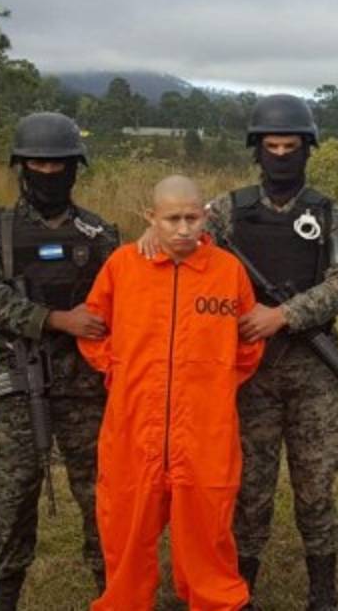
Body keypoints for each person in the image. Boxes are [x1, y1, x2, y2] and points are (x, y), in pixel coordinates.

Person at [138, 93, 338, 609]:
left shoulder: (331, 213)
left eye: (290, 147)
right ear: (257, 150)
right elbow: (183, 237)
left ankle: (323, 593)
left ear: (307, 149)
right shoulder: (225, 211)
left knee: (316, 484)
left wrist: (282, 315)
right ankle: (238, 590)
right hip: (246, 371)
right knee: (246, 488)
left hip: (311, 368)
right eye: (271, 147)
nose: (281, 156)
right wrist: (153, 232)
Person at [79, 175, 264, 611]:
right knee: (125, 523)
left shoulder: (227, 271)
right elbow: (92, 327)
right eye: (172, 219)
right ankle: (124, 602)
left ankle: (217, 601)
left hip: (205, 428)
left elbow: (249, 341)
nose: (183, 229)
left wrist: (214, 381)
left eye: (192, 218)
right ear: (151, 217)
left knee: (208, 524)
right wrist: (121, 370)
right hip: (133, 425)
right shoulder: (124, 266)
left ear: (205, 217)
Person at [0, 112, 117, 610]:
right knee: (9, 495)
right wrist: (56, 319)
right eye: (38, 164)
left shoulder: (99, 233)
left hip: (87, 387)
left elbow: (124, 296)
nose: (49, 172)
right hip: (20, 382)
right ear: (21, 167)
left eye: (59, 164)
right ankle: (4, 595)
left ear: (75, 168)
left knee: (104, 498)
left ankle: (113, 591)